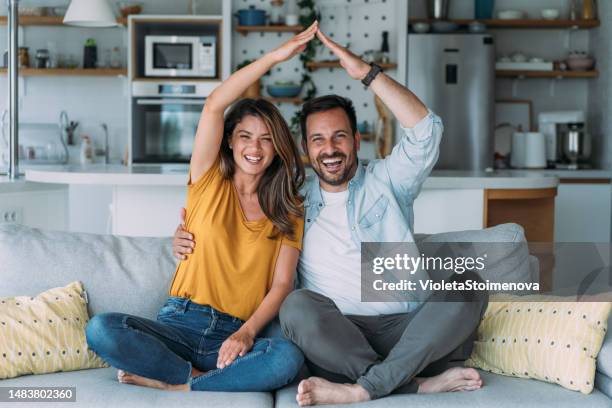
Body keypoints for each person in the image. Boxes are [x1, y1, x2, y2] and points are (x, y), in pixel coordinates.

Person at [173, 28, 489, 405]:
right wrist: (180, 237)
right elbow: (237, 240)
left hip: (409, 330)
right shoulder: (290, 203)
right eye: (318, 140)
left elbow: (426, 131)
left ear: (357, 141)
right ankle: (412, 384)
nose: (330, 149)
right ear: (306, 148)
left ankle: (365, 388)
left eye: (339, 137)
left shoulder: (389, 182)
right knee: (296, 305)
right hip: (336, 338)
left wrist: (367, 75)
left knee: (468, 282)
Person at [85, 22, 323, 393]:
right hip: (179, 323)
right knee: (101, 329)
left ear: (277, 146)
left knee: (287, 358)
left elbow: (281, 286)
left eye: (266, 139)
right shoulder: (208, 179)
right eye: (245, 136)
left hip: (233, 334)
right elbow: (214, 105)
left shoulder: (289, 209)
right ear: (229, 141)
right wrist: (276, 57)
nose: (255, 148)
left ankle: (179, 383)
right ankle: (198, 381)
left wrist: (246, 334)